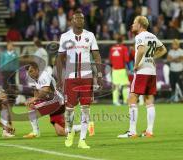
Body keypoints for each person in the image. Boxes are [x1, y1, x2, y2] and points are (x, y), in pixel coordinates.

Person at [57, 9, 103, 149]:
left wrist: (99, 75)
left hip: (86, 77)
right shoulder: (65, 36)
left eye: (82, 18)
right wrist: (59, 78)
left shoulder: (90, 36)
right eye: (77, 18)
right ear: (72, 21)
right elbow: (59, 59)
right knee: (69, 108)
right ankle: (70, 132)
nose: (80, 21)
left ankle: (82, 139)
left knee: (85, 108)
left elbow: (96, 56)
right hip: (71, 77)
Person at [118, 16, 167, 138]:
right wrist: (152, 58)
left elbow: (140, 50)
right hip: (151, 71)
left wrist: (135, 65)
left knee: (132, 97)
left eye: (134, 23)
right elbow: (164, 49)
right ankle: (149, 131)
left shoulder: (140, 36)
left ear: (140, 25)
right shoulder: (152, 36)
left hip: (142, 71)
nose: (132, 25)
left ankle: (132, 132)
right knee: (149, 99)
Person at [23, 63, 95, 138]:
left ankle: (35, 132)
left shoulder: (43, 76)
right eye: (28, 72)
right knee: (61, 132)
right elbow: (37, 93)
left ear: (37, 70)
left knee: (30, 105)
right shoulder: (35, 79)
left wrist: (34, 99)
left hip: (56, 102)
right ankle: (87, 126)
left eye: (31, 71)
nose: (30, 74)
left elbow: (46, 90)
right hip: (52, 104)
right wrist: (34, 98)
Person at [109, 35, 129, 106]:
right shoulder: (124, 48)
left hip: (114, 70)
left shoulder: (112, 48)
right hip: (122, 69)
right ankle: (125, 101)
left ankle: (115, 101)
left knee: (115, 86)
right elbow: (126, 60)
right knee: (125, 85)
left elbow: (110, 61)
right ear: (122, 41)